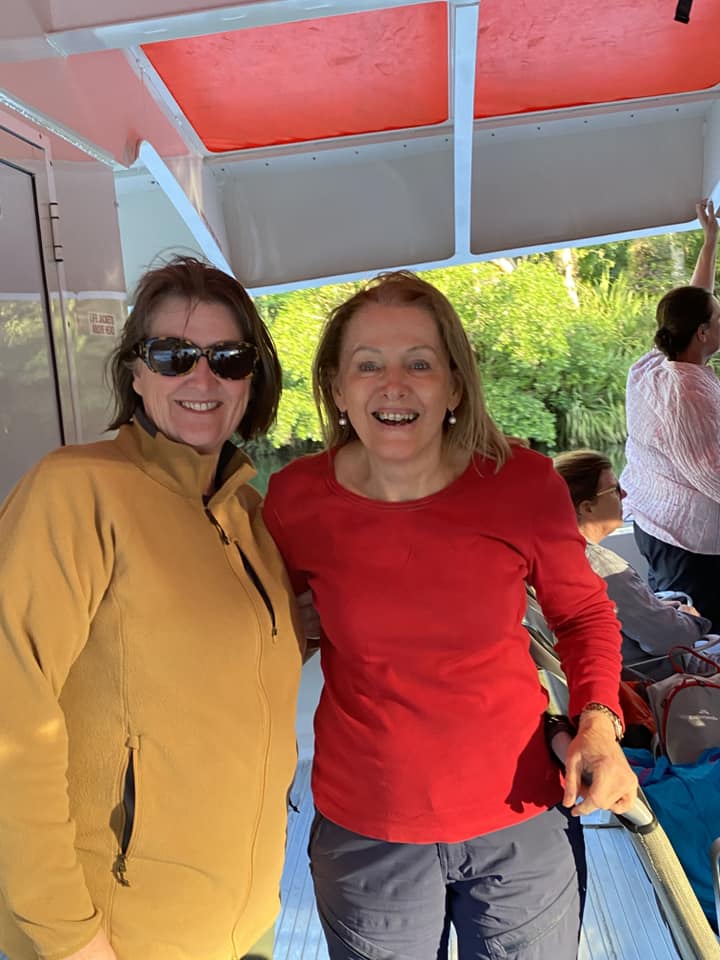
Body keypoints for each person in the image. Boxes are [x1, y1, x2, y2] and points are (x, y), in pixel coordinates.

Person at [263, 271, 637, 960]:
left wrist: (598, 724)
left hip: (521, 820)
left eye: (420, 364)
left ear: (455, 386)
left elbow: (583, 617)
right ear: (339, 389)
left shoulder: (522, 485)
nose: (393, 384)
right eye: (368, 364)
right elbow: (262, 634)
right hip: (368, 833)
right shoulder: (295, 500)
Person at [0, 257, 303, 960]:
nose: (203, 378)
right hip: (111, 934)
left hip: (244, 920)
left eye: (229, 358)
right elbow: (10, 713)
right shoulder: (75, 491)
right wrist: (65, 932)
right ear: (135, 372)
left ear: (252, 377)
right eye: (173, 356)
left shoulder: (249, 518)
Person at [621, 198, 720, 633]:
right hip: (685, 542)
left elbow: (696, 302)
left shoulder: (655, 362)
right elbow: (712, 476)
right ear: (702, 334)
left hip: (653, 521)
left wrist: (710, 242)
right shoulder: (688, 394)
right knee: (702, 635)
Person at [554, 449, 717, 681]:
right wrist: (690, 619)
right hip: (657, 679)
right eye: (614, 490)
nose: (625, 494)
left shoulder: (557, 555)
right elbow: (666, 640)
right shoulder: (601, 567)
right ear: (587, 507)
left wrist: (658, 608)